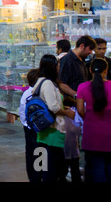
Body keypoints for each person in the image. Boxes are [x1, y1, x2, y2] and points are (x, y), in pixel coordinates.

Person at [34, 54, 75, 182]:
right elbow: (53, 107)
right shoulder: (47, 83)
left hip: (46, 130)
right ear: (51, 67)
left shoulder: (41, 81)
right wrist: (67, 113)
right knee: (52, 165)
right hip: (53, 130)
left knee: (46, 164)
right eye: (57, 65)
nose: (58, 68)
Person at [77, 58, 111, 182]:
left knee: (96, 167)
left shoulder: (82, 87)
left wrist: (87, 118)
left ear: (90, 70)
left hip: (91, 131)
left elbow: (79, 110)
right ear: (106, 70)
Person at [18, 68, 40, 182]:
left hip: (29, 128)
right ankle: (38, 175)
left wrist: (26, 125)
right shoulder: (38, 92)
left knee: (31, 153)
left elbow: (22, 112)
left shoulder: (26, 93)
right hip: (38, 129)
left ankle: (33, 177)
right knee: (39, 152)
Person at [59, 35, 97, 102]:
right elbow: (62, 84)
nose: (91, 52)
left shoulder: (81, 59)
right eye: (90, 49)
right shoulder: (67, 60)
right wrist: (77, 95)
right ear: (82, 46)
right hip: (73, 103)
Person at [61, 96, 83, 183]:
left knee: (63, 170)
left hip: (63, 148)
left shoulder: (60, 115)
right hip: (72, 149)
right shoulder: (72, 116)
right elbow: (77, 130)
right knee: (75, 170)